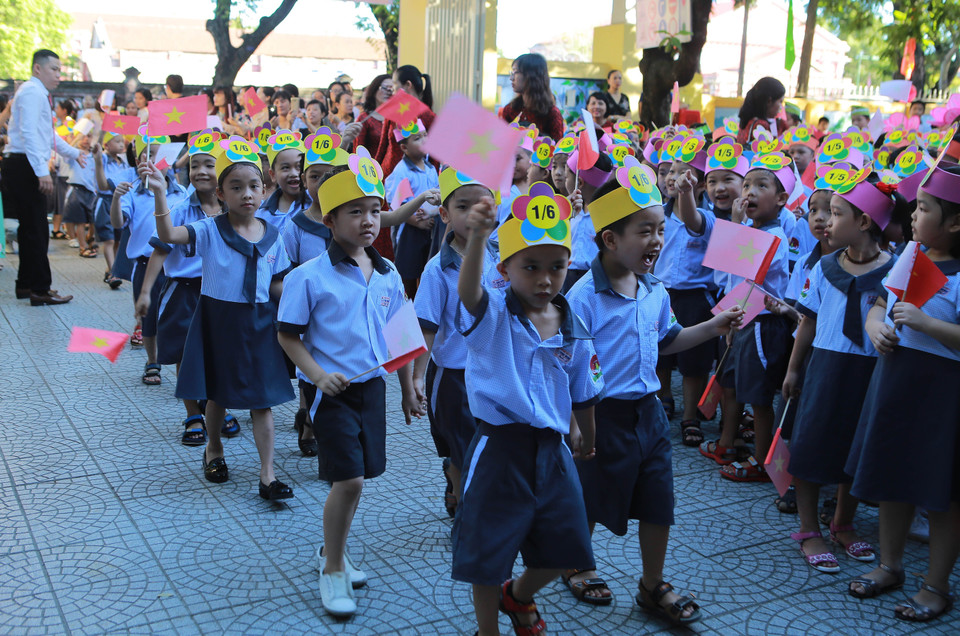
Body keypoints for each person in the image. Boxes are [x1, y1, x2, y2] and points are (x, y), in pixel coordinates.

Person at [565, 162, 741, 619]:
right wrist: (575, 423)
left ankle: (651, 583)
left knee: (658, 500)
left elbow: (669, 341)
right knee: (590, 495)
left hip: (650, 414)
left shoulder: (654, 290)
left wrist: (714, 325)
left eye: (660, 230)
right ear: (609, 239)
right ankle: (578, 565)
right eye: (645, 231)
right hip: (602, 415)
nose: (657, 241)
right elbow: (570, 368)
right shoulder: (583, 297)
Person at [452, 182, 603, 636]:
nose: (544, 279)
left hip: (552, 450)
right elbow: (469, 294)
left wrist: (584, 433)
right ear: (506, 268)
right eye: (530, 267)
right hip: (499, 447)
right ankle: (487, 630)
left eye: (557, 267)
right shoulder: (494, 312)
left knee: (566, 545)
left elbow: (582, 388)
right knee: (486, 552)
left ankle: (517, 596)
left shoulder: (573, 325)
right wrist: (478, 236)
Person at [277, 155, 424, 617]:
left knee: (360, 480)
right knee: (350, 479)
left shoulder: (388, 273)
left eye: (375, 211)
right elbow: (287, 335)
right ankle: (333, 568)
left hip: (372, 390)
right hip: (329, 395)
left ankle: (331, 550)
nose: (368, 221)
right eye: (356, 211)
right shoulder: (309, 277)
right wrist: (317, 375)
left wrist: (406, 388)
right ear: (329, 218)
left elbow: (399, 335)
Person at [149, 135, 295, 498]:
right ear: (220, 194)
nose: (246, 194)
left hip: (261, 323)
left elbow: (276, 283)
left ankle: (267, 474)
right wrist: (159, 193)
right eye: (236, 187)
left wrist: (300, 305)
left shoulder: (275, 235)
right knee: (217, 395)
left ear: (265, 190)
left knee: (263, 401)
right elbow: (168, 234)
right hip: (218, 320)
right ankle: (214, 448)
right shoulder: (209, 230)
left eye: (253, 186)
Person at [845, 163, 960, 623]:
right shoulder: (913, 255)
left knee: (941, 493)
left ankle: (936, 584)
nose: (913, 216)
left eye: (925, 209)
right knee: (892, 477)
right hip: (895, 381)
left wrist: (929, 324)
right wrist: (876, 327)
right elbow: (880, 305)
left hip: (944, 394)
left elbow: (929, 324)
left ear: (955, 222)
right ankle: (889, 564)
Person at [781, 174, 898, 575]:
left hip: (870, 371)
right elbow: (808, 321)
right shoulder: (826, 266)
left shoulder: (895, 272)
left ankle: (843, 522)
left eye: (836, 213)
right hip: (826, 367)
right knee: (812, 444)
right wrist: (795, 368)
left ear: (864, 222)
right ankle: (808, 528)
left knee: (855, 447)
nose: (826, 222)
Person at [137, 130, 240, 444]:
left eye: (209, 165)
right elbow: (160, 249)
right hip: (184, 291)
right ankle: (192, 412)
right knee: (186, 352)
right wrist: (145, 291)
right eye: (195, 165)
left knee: (219, 350)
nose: (200, 172)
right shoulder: (180, 208)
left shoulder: (234, 209)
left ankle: (215, 405)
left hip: (221, 291)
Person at [412, 169, 505, 518]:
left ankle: (460, 482)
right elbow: (427, 327)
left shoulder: (503, 258)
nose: (472, 214)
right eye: (462, 207)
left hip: (495, 372)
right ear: (445, 214)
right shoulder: (438, 269)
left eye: (481, 205)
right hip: (453, 377)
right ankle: (470, 514)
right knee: (465, 449)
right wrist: (417, 378)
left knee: (487, 446)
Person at [714, 154, 794, 482]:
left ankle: (763, 461)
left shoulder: (774, 236)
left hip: (764, 325)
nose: (750, 191)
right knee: (744, 388)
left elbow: (740, 267)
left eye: (762, 185)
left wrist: (734, 227)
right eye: (747, 184)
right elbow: (732, 280)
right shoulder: (754, 230)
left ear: (781, 199)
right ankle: (746, 449)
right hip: (747, 318)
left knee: (759, 397)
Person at [667, 137, 744, 445]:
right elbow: (689, 218)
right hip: (672, 294)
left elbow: (691, 218)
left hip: (709, 299)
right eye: (670, 171)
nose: (674, 177)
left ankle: (700, 417)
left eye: (729, 179)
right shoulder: (674, 213)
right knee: (666, 355)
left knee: (700, 362)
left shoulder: (715, 218)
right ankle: (666, 402)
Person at [2, 49, 86, 305]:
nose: (59, 75)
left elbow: (47, 135)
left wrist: (74, 152)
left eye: (60, 70)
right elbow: (28, 133)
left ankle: (26, 285)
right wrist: (41, 172)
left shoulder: (38, 93)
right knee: (38, 229)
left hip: (24, 164)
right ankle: (40, 289)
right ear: (38, 69)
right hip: (23, 165)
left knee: (31, 228)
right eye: (54, 69)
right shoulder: (30, 91)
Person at [110, 129, 189, 382]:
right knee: (148, 314)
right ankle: (152, 360)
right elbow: (118, 222)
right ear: (137, 161)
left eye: (158, 155)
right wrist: (115, 198)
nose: (152, 162)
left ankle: (182, 364)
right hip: (145, 264)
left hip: (174, 264)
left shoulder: (182, 192)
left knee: (177, 316)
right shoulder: (133, 192)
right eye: (146, 155)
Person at [385, 120, 439, 298]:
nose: (424, 140)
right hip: (410, 230)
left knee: (427, 268)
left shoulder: (431, 168)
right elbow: (398, 203)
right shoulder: (402, 171)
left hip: (430, 227)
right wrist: (415, 221)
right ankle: (407, 300)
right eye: (417, 138)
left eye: (425, 136)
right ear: (404, 148)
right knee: (408, 271)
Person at [375, 65, 435, 177]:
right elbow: (382, 148)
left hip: (417, 183)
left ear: (408, 85)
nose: (392, 90)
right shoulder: (392, 112)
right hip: (389, 180)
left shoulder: (430, 117)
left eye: (394, 85)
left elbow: (434, 156)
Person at [500, 53, 564, 141]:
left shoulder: (552, 114)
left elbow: (559, 152)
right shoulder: (510, 110)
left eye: (515, 72)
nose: (511, 78)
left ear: (531, 76)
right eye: (512, 72)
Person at [257, 129, 307, 231]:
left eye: (298, 167)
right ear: (273, 174)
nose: (293, 174)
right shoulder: (262, 214)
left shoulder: (315, 205)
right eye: (285, 168)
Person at [736, 77, 787, 144]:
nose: (781, 107)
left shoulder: (748, 120)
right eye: (780, 101)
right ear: (769, 101)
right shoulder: (761, 125)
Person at [354, 74, 392, 155]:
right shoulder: (364, 118)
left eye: (392, 88)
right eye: (384, 87)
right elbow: (358, 149)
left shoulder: (397, 118)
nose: (388, 91)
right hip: (371, 165)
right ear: (374, 90)